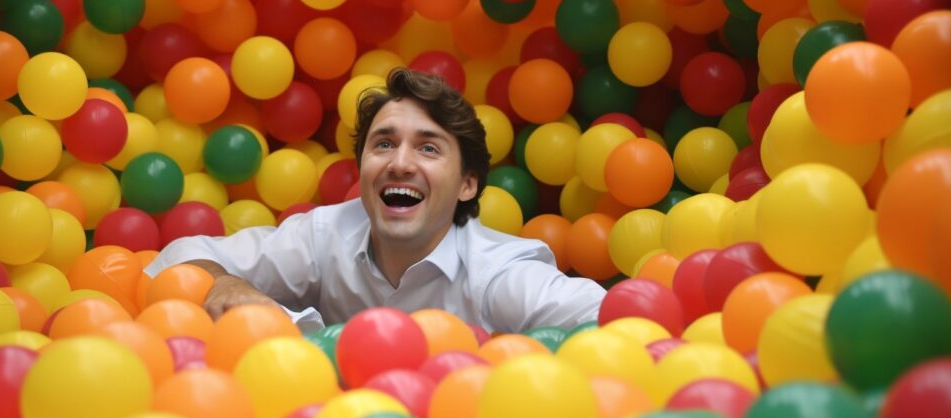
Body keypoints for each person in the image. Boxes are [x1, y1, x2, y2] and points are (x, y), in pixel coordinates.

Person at [145, 67, 606, 333]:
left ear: (467, 185)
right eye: (383, 144)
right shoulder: (326, 234)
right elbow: (180, 258)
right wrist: (226, 284)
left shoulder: (499, 274)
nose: (399, 163)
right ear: (362, 167)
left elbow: (611, 322)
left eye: (428, 148)